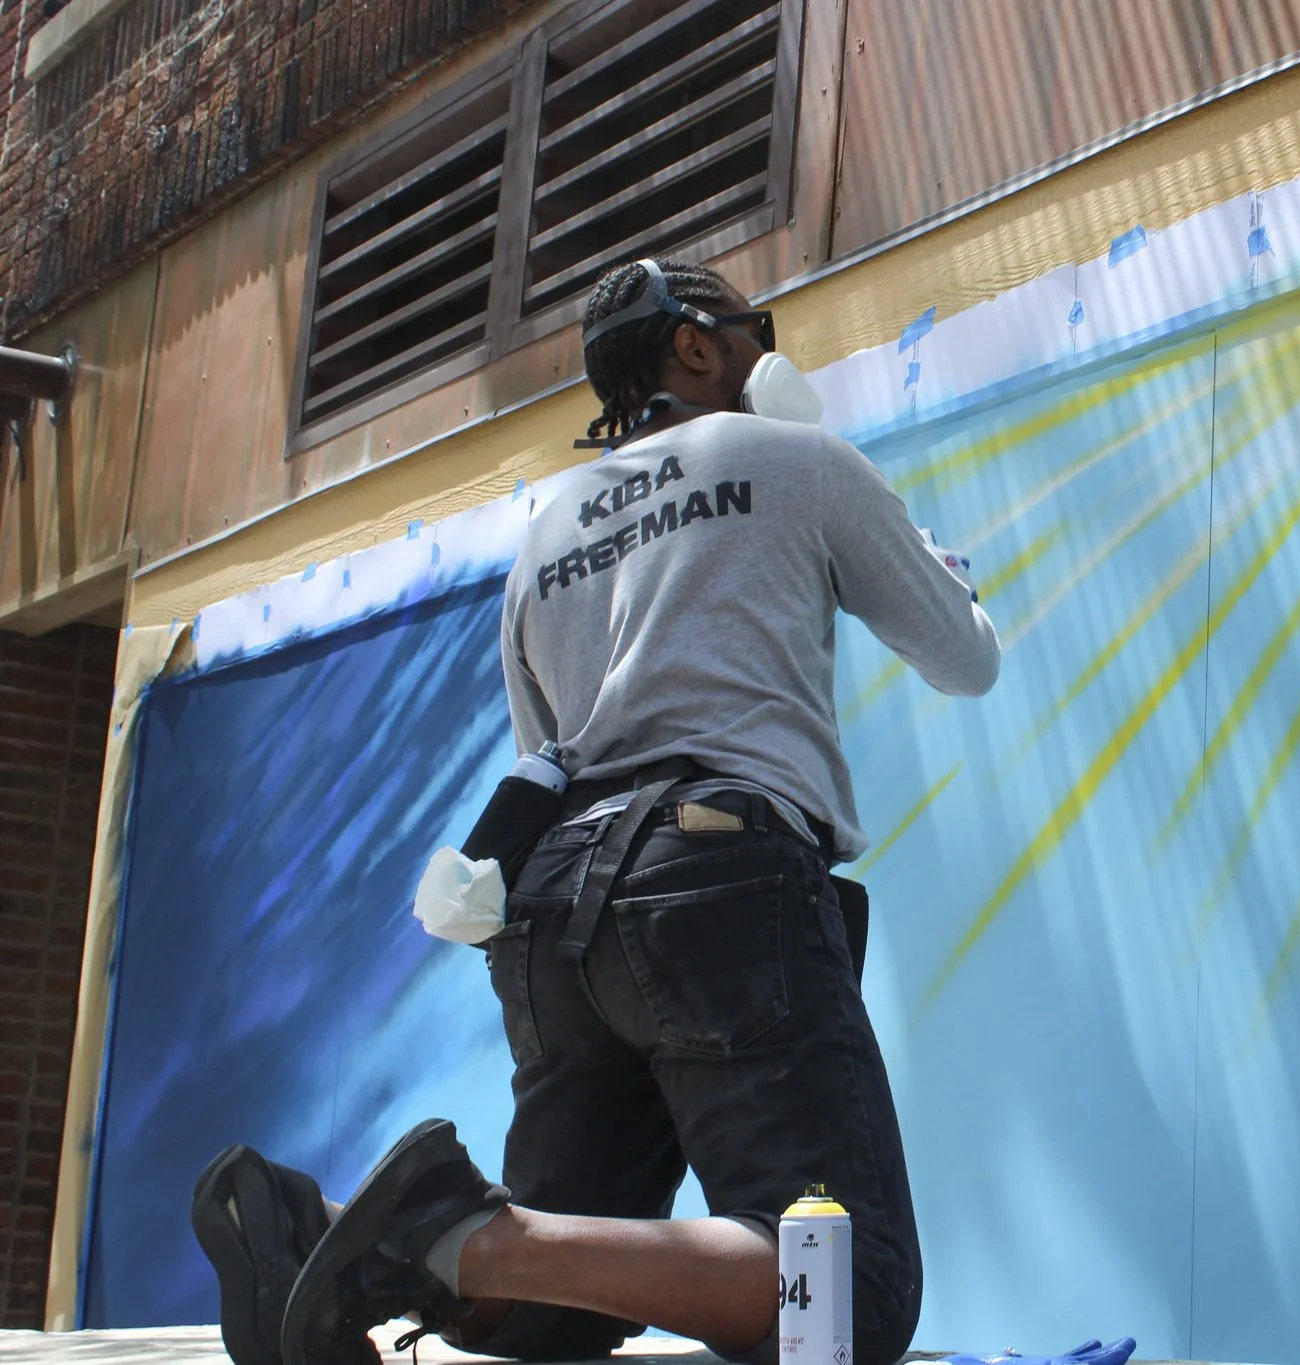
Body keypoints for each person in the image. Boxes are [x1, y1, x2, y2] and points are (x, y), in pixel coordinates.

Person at [191, 257, 1001, 1365]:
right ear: (696, 348)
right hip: (715, 878)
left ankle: (330, 1236)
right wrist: (943, 574)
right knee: (842, 1291)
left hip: (553, 906)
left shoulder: (545, 532)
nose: (772, 355)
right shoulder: (795, 458)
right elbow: (963, 660)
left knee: (546, 1315)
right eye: (750, 332)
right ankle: (456, 1230)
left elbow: (545, 753)